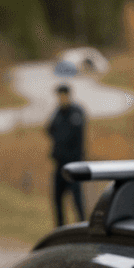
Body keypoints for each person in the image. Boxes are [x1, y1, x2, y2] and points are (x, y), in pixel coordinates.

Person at [47, 83, 86, 226]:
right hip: (59, 164)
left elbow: (69, 136)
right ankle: (60, 229)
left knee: (77, 200)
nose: (61, 98)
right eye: (59, 96)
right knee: (57, 199)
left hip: (74, 165)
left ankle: (82, 227)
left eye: (63, 95)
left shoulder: (76, 113)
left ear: (68, 95)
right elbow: (49, 129)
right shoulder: (58, 112)